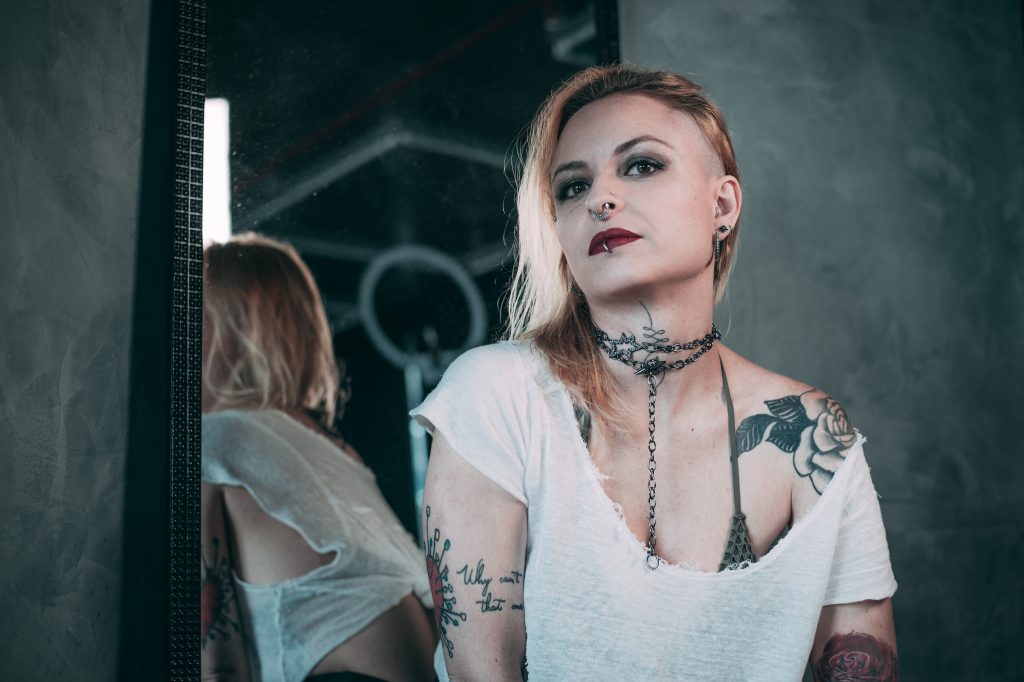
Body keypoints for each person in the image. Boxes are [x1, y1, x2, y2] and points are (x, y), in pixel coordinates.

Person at [413, 66, 898, 680]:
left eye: (642, 165)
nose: (600, 198)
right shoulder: (498, 396)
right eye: (573, 187)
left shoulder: (811, 432)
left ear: (722, 205)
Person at [200, 233, 436, 682]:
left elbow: (218, 665)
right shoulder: (337, 450)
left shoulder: (214, 439)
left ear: (227, 330)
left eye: (193, 319)